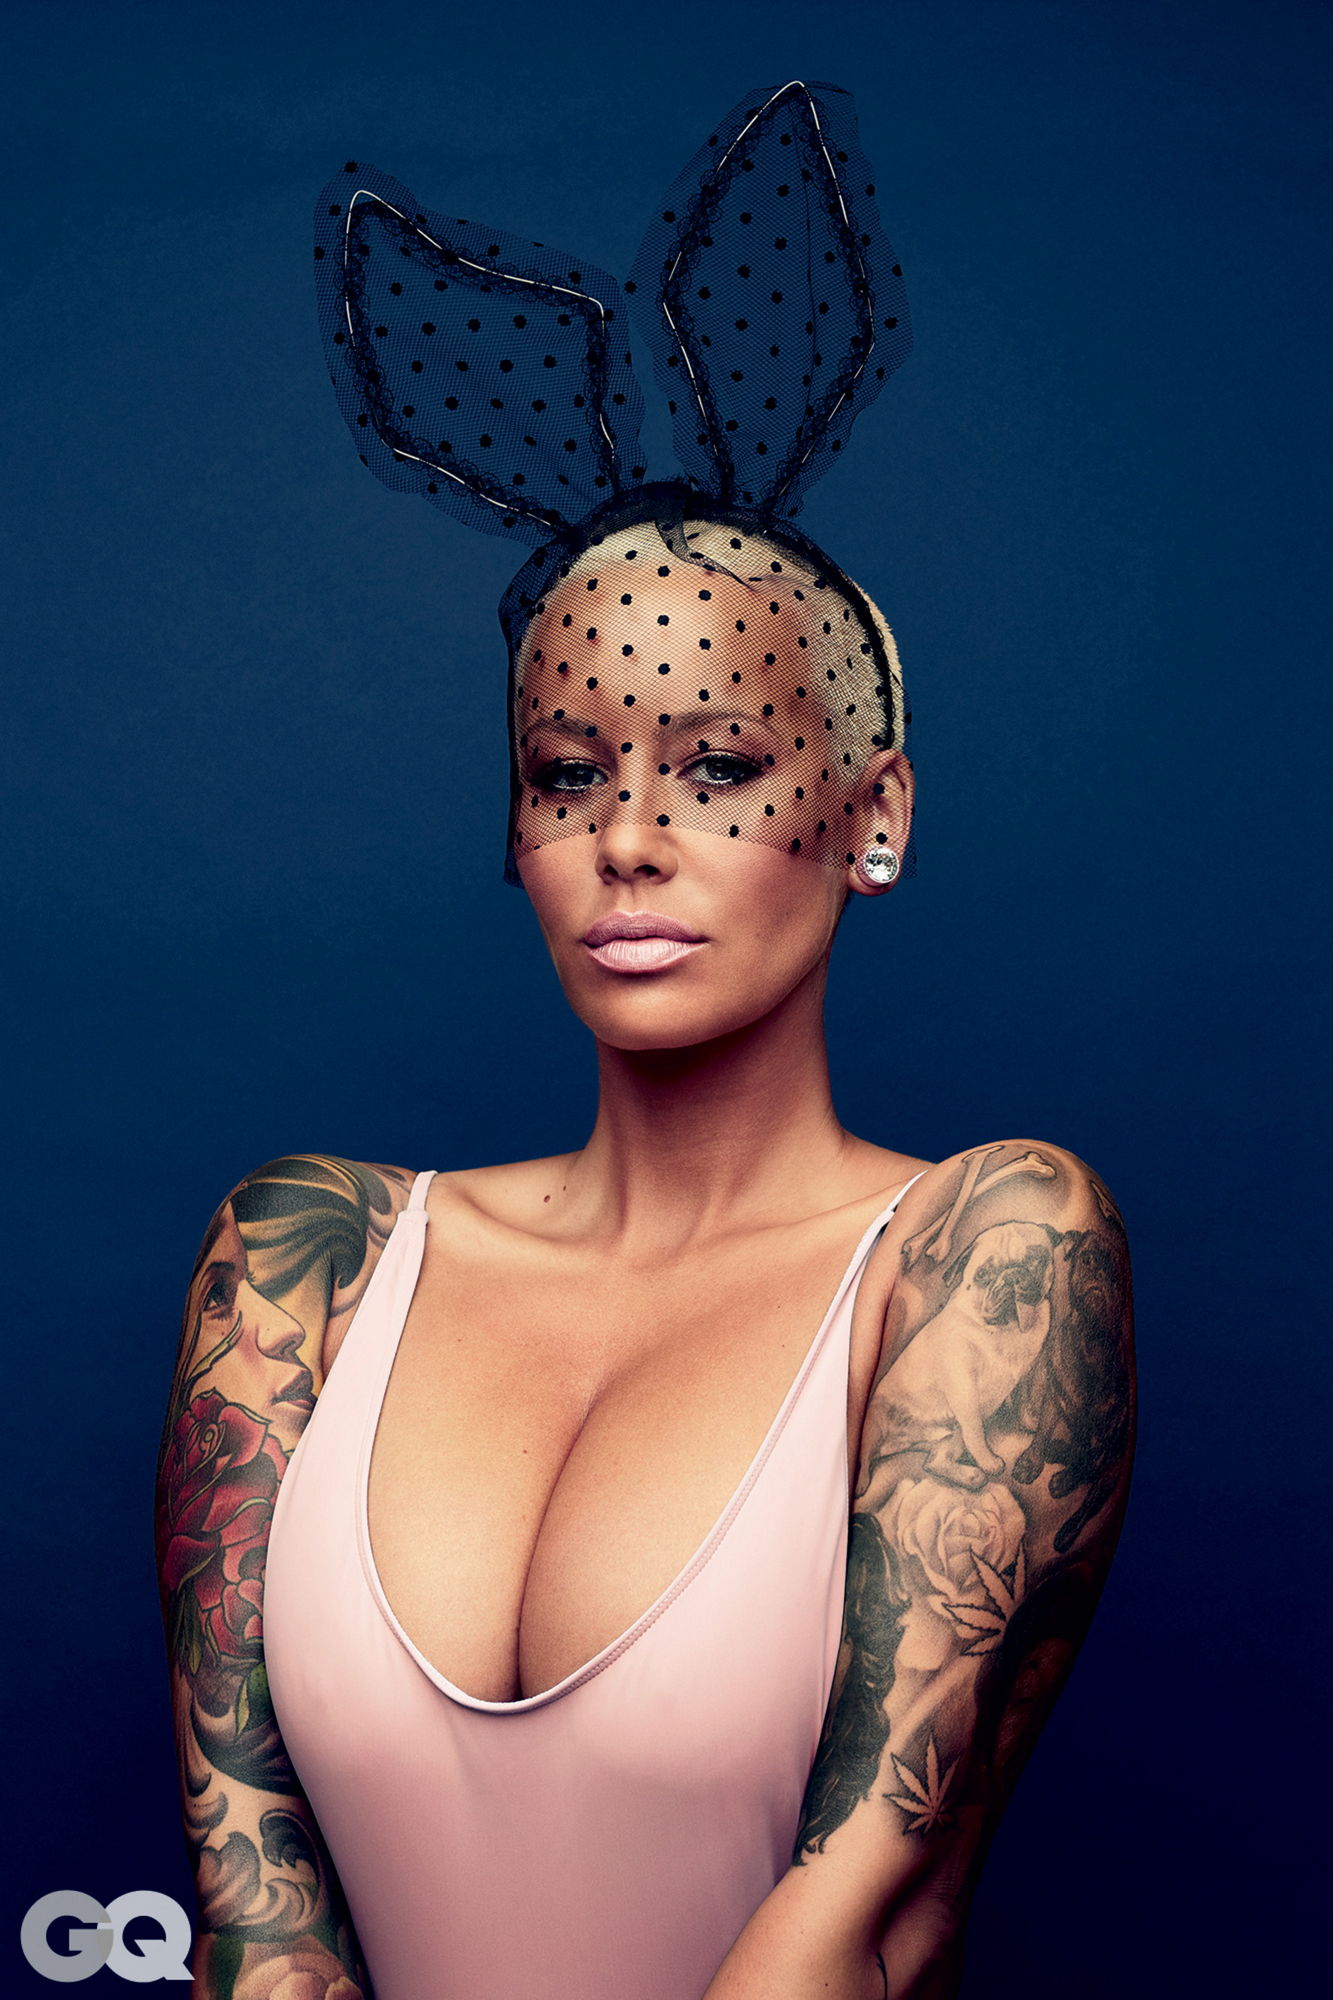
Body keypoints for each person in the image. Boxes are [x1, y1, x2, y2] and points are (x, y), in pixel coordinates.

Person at [155, 81, 1136, 2000]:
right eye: (564, 772)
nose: (626, 836)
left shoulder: (983, 1251)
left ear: (870, 815)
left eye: (718, 765)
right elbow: (252, 1923)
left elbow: (849, 1923)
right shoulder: (304, 1259)